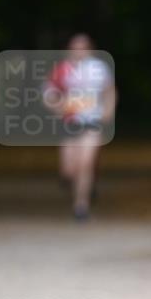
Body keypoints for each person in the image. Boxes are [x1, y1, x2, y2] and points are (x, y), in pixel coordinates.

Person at [43, 33, 116, 220]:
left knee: (86, 164)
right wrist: (57, 107)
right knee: (69, 170)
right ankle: (81, 188)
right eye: (76, 47)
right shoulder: (62, 69)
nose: (79, 51)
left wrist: (108, 111)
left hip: (92, 122)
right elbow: (49, 94)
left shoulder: (100, 68)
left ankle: (81, 206)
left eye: (83, 47)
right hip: (70, 122)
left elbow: (110, 91)